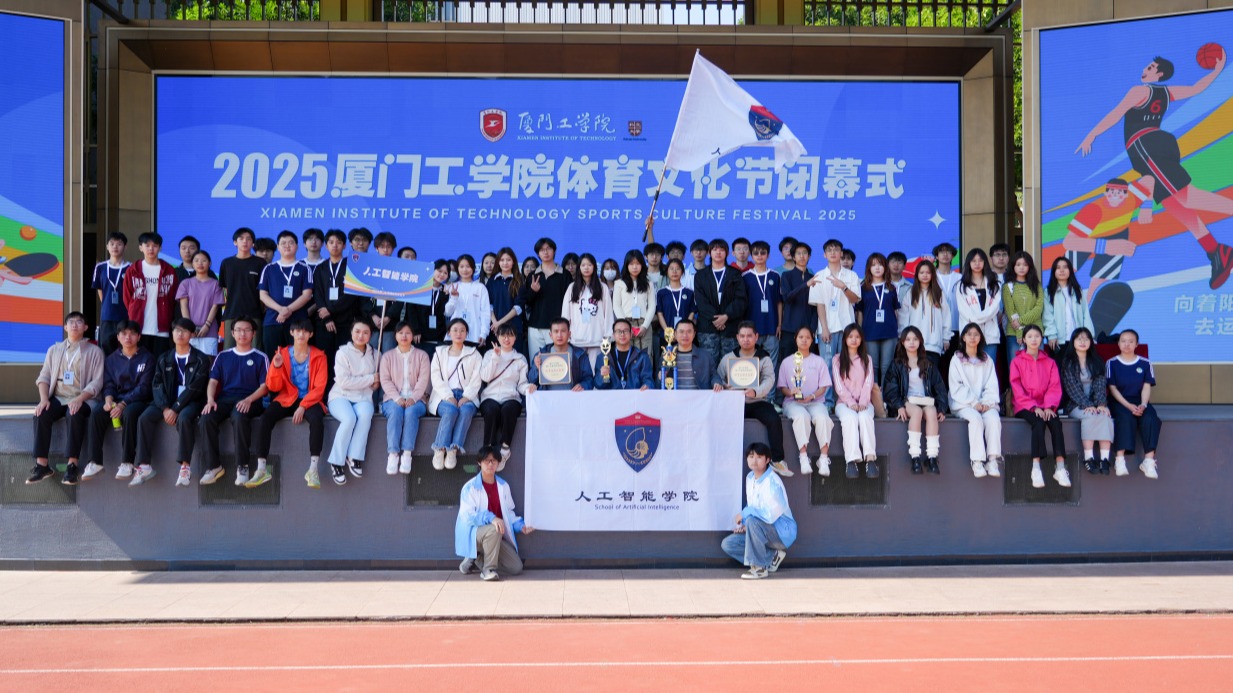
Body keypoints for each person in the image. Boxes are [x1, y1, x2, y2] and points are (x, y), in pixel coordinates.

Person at [1077, 53, 1233, 289]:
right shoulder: (1166, 92)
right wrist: (1216, 72)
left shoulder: (1139, 91)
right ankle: (1216, 251)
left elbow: (1116, 114)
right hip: (1156, 146)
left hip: (1146, 146)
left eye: (1150, 67)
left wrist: (1092, 134)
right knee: (1177, 207)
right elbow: (1196, 89)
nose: (1145, 69)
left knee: (1187, 197)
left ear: (1159, 74)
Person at [249, 318, 328, 489]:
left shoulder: (319, 356)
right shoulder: (282, 354)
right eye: (298, 331)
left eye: (305, 331)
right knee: (265, 418)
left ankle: (313, 469)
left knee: (317, 420)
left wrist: (303, 406)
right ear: (291, 333)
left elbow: (320, 388)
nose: (301, 334)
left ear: (311, 334)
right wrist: (276, 367)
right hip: (286, 397)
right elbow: (273, 387)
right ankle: (261, 469)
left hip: (310, 399)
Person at [29, 313, 106, 485]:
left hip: (84, 398)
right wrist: (44, 399)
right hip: (59, 397)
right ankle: (42, 465)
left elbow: (97, 382)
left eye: (79, 322)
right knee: (41, 414)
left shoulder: (95, 351)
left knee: (74, 414)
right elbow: (44, 377)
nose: (75, 325)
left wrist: (80, 399)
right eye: (71, 322)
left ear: (85, 327)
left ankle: (72, 465)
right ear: (65, 327)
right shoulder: (54, 350)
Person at [134, 318, 210, 488]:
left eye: (184, 331)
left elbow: (195, 388)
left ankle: (185, 467)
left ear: (192, 334)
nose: (180, 334)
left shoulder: (201, 359)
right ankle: (144, 465)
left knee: (184, 418)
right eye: (176, 330)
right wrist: (165, 407)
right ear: (172, 333)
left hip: (191, 401)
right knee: (144, 418)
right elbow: (157, 384)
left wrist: (175, 408)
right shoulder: (164, 358)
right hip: (167, 403)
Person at [197, 317, 269, 486]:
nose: (242, 333)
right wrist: (210, 400)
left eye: (247, 330)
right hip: (226, 399)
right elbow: (213, 382)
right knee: (206, 418)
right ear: (232, 333)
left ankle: (242, 466)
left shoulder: (260, 357)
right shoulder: (223, 356)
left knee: (239, 415)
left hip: (251, 399)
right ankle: (214, 466)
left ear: (253, 333)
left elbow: (265, 387)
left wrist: (249, 399)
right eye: (238, 330)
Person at [82, 320, 154, 483]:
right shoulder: (111, 359)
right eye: (124, 334)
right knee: (97, 413)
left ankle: (127, 462)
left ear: (139, 337)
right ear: (118, 337)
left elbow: (144, 388)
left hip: (138, 400)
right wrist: (108, 400)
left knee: (129, 413)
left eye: (132, 334)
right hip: (116, 399)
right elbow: (108, 384)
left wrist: (123, 404)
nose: (128, 337)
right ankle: (94, 462)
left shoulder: (147, 358)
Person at [1062, 178, 1155, 300]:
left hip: (1117, 234)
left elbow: (1149, 180)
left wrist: (1146, 207)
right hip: (1087, 237)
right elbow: (1069, 242)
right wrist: (1106, 246)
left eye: (1119, 192)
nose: (1115, 195)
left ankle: (1091, 304)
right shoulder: (1093, 210)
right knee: (1065, 268)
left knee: (1103, 277)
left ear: (1126, 195)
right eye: (1111, 192)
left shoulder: (1132, 200)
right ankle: (1056, 300)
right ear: (1105, 193)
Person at [715, 322, 789, 476]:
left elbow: (769, 379)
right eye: (742, 336)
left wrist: (756, 392)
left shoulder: (763, 357)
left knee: (774, 419)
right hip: (735, 402)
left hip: (757, 401)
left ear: (756, 337)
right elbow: (718, 377)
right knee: (721, 421)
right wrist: (725, 386)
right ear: (737, 338)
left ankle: (777, 459)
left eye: (749, 336)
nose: (746, 339)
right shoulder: (729, 358)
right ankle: (723, 458)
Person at [456, 445, 535, 581]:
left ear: (498, 463)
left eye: (494, 460)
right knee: (494, 528)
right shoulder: (470, 487)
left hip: (495, 535)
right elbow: (467, 516)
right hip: (474, 534)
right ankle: (488, 570)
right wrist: (492, 518)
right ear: (479, 463)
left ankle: (477, 557)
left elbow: (508, 513)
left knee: (516, 567)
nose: (490, 464)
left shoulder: (503, 486)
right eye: (486, 460)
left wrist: (521, 526)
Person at [720, 442, 796, 580]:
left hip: (782, 533)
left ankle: (759, 568)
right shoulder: (750, 478)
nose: (754, 460)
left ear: (767, 460)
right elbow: (753, 505)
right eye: (751, 456)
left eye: (759, 457)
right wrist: (744, 525)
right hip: (762, 529)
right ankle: (772, 557)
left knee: (751, 521)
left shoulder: (772, 482)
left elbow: (769, 516)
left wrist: (745, 515)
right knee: (729, 544)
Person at [883, 326, 949, 475]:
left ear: (920, 342)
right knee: (917, 412)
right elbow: (891, 389)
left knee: (931, 412)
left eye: (915, 339)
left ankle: (932, 457)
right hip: (907, 401)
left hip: (925, 400)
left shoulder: (928, 364)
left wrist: (941, 408)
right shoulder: (897, 364)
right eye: (908, 339)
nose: (912, 342)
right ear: (902, 342)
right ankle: (915, 457)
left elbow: (939, 387)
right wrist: (899, 406)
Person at [1010, 325, 1068, 489]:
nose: (1034, 339)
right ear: (1024, 339)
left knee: (1055, 423)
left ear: (1042, 339)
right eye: (1030, 336)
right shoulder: (1017, 362)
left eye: (1037, 336)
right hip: (1024, 405)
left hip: (1046, 405)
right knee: (1038, 422)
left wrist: (1049, 406)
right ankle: (1036, 468)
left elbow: (1054, 386)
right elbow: (1016, 387)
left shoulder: (1050, 362)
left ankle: (1060, 468)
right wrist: (1033, 407)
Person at [325, 318, 380, 485]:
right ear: (351, 332)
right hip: (340, 396)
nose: (361, 335)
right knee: (349, 418)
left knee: (366, 414)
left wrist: (375, 383)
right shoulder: (342, 353)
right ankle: (336, 462)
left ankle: (354, 457)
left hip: (363, 397)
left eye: (365, 332)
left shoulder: (376, 354)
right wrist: (370, 379)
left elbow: (376, 383)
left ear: (371, 335)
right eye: (357, 331)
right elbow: (344, 382)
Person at [807, 238, 860, 407]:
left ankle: (845, 400)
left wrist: (843, 287)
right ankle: (828, 401)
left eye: (836, 249)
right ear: (824, 255)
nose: (833, 252)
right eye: (829, 250)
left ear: (841, 253)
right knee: (827, 365)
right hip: (827, 328)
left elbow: (855, 299)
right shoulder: (819, 276)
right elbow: (820, 305)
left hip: (847, 328)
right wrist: (824, 328)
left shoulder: (851, 276)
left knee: (847, 364)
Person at [948, 323, 1003, 479]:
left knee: (993, 418)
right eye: (969, 334)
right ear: (963, 338)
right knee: (975, 419)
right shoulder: (956, 359)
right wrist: (974, 403)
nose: (972, 337)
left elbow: (991, 385)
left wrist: (986, 402)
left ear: (980, 338)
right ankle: (977, 461)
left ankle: (993, 460)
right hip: (963, 404)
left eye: (976, 334)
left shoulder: (987, 360)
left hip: (984, 403)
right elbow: (956, 386)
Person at [1105, 329, 1162, 479]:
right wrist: (1128, 405)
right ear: (1118, 344)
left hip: (1140, 400)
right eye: (1123, 341)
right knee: (1125, 417)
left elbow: (1146, 387)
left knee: (1151, 418)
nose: (1127, 344)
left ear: (1137, 344)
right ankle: (1119, 459)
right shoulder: (1112, 363)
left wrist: (1143, 404)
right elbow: (1112, 388)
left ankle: (1149, 461)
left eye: (1131, 341)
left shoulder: (1145, 363)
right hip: (1119, 401)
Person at [777, 325, 833, 475]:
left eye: (808, 337)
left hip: (815, 402)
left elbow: (824, 386)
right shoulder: (787, 362)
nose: (804, 340)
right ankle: (803, 457)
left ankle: (824, 458)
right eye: (801, 337)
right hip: (793, 403)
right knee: (802, 417)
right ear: (795, 339)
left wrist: (812, 396)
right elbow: (782, 387)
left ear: (812, 340)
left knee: (823, 418)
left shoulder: (819, 361)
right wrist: (791, 392)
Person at [1059, 327, 1115, 475]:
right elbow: (1072, 388)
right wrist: (1088, 405)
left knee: (1105, 415)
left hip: (1095, 404)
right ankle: (1088, 458)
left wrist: (1101, 404)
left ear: (1091, 342)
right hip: (1075, 404)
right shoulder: (1068, 363)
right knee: (1090, 416)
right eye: (1079, 339)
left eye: (1086, 338)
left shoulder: (1096, 361)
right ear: (1073, 342)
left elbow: (1100, 385)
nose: (1083, 342)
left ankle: (1104, 459)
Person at [429, 318, 483, 471]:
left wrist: (467, 396)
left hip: (467, 395)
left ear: (467, 334)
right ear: (449, 333)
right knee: (451, 410)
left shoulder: (474, 354)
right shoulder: (439, 353)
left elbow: (477, 378)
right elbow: (435, 377)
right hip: (443, 395)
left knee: (466, 410)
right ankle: (440, 449)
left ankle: (453, 449)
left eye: (462, 330)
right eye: (455, 330)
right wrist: (449, 396)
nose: (458, 333)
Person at [380, 321, 431, 476]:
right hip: (392, 399)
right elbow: (385, 380)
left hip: (417, 399)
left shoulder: (422, 356)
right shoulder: (387, 356)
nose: (404, 336)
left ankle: (407, 454)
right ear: (395, 335)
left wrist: (414, 398)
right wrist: (397, 398)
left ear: (413, 336)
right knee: (396, 411)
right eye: (400, 333)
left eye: (408, 333)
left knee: (410, 412)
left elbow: (423, 380)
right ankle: (393, 454)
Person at [312, 229, 363, 376]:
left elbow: (352, 294)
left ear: (345, 246)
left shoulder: (351, 266)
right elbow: (318, 295)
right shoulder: (320, 268)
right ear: (326, 245)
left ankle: (343, 388)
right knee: (325, 360)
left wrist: (331, 310)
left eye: (339, 242)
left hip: (346, 321)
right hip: (324, 322)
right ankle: (326, 389)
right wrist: (327, 317)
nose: (335, 245)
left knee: (345, 360)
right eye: (331, 242)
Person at [478, 324, 531, 467]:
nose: (507, 339)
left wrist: (529, 388)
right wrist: (495, 357)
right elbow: (485, 377)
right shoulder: (489, 354)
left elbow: (522, 384)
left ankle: (505, 448)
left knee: (508, 410)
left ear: (515, 338)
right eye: (503, 335)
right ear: (497, 337)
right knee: (491, 410)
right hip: (490, 395)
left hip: (511, 396)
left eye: (510, 335)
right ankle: (488, 450)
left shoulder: (520, 358)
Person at [257, 230, 314, 357]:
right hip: (273, 321)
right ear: (278, 247)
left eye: (291, 243)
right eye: (283, 243)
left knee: (297, 358)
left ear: (297, 246)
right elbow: (263, 295)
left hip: (298, 323)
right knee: (273, 358)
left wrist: (288, 310)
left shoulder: (305, 268)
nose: (287, 246)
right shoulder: (269, 268)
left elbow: (307, 295)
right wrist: (280, 309)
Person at [122, 232, 178, 357]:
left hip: (162, 327)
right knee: (141, 362)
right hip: (139, 326)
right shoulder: (133, 270)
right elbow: (127, 298)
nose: (151, 249)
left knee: (160, 361)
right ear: (140, 247)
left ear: (160, 248)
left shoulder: (169, 270)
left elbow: (173, 297)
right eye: (147, 245)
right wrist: (134, 310)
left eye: (155, 246)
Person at [832, 324, 877, 479]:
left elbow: (869, 382)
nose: (854, 340)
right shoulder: (837, 359)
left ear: (861, 339)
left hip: (865, 402)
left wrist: (863, 402)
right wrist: (851, 402)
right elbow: (838, 385)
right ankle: (851, 461)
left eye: (857, 337)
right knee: (850, 418)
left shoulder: (867, 359)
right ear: (845, 339)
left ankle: (870, 459)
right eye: (850, 336)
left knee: (865, 417)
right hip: (843, 404)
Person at [694, 238, 748, 368]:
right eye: (715, 249)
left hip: (730, 327)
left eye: (721, 249)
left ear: (727, 253)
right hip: (708, 328)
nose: (718, 252)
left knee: (731, 367)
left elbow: (741, 299)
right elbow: (701, 302)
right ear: (709, 253)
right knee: (708, 366)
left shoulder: (735, 274)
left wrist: (726, 316)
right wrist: (717, 319)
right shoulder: (700, 275)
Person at [519, 237, 571, 357]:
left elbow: (569, 301)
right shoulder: (533, 276)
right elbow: (527, 302)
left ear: (554, 251)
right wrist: (533, 291)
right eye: (542, 250)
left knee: (557, 362)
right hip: (535, 327)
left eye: (548, 249)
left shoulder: (564, 275)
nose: (545, 252)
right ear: (538, 254)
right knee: (536, 361)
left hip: (557, 328)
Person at [218, 227, 266, 352]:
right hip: (232, 312)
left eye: (248, 239)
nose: (245, 241)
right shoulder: (226, 263)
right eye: (241, 238)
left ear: (253, 243)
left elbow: (264, 290)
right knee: (229, 350)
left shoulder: (260, 263)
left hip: (255, 313)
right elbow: (224, 289)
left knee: (255, 350)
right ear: (235, 242)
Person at [855, 252, 899, 387]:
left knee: (887, 367)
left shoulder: (891, 287)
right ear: (869, 268)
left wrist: (897, 330)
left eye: (880, 264)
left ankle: (885, 396)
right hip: (869, 333)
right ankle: (873, 396)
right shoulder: (863, 288)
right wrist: (860, 332)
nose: (877, 268)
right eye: (873, 265)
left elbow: (896, 311)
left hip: (889, 333)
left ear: (885, 267)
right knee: (872, 367)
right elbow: (860, 312)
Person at [560, 253, 613, 364]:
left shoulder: (602, 287)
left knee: (596, 371)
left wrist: (607, 336)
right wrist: (566, 335)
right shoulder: (572, 287)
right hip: (577, 339)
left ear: (594, 267)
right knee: (578, 371)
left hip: (597, 339)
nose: (586, 268)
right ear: (579, 267)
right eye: (583, 265)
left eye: (589, 265)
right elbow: (565, 314)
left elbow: (608, 313)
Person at [896, 259, 951, 364]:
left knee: (931, 372)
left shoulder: (938, 294)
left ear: (932, 274)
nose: (925, 275)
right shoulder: (911, 293)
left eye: (928, 272)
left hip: (934, 344)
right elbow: (903, 318)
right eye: (921, 272)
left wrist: (946, 338)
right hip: (914, 344)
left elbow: (946, 316)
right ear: (917, 275)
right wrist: (902, 337)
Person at [955, 248, 1001, 361]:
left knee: (989, 368)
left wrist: (980, 318)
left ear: (985, 262)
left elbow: (994, 308)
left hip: (990, 335)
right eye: (973, 261)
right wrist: (978, 321)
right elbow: (963, 310)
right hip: (970, 335)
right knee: (970, 368)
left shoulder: (993, 284)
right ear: (969, 263)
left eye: (980, 260)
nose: (977, 264)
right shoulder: (961, 285)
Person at [175, 250, 224, 356]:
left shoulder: (216, 284)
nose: (200, 263)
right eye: (196, 260)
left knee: (208, 362)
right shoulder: (186, 283)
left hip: (209, 331)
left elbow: (215, 306)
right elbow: (183, 306)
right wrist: (189, 327)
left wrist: (207, 326)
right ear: (192, 264)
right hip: (189, 333)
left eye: (204, 260)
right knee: (189, 361)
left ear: (210, 263)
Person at [527, 318, 594, 393]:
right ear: (550, 335)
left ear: (569, 334)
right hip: (548, 398)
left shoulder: (579, 354)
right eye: (556, 331)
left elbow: (589, 379)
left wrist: (583, 385)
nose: (559, 335)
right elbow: (531, 380)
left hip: (573, 396)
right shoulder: (542, 354)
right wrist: (536, 368)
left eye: (563, 331)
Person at [743, 241, 782, 368]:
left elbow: (779, 302)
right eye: (756, 253)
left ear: (768, 255)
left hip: (771, 327)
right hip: (752, 328)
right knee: (752, 364)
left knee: (771, 364)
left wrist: (779, 324)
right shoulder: (745, 277)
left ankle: (769, 383)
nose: (759, 255)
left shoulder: (775, 276)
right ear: (751, 256)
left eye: (763, 253)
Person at [1001, 252, 1045, 364]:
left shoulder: (1037, 286)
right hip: (1014, 334)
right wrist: (1020, 332)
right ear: (1013, 266)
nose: (1021, 267)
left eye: (1025, 265)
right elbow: (1011, 312)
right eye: (1018, 264)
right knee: (1015, 367)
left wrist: (1020, 321)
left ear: (1030, 267)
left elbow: (1038, 309)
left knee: (1037, 366)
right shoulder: (1008, 287)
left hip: (1035, 332)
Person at [1043, 256, 1094, 352]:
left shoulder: (1077, 290)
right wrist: (1052, 335)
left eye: (1065, 267)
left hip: (1078, 339)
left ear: (1070, 270)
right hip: (1058, 340)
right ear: (1054, 272)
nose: (1062, 270)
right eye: (1058, 268)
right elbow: (1047, 316)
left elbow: (1086, 314)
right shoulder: (1048, 292)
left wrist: (1088, 335)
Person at [779, 241, 817, 366]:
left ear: (809, 256)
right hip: (789, 329)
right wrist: (806, 285)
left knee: (808, 366)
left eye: (805, 253)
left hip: (807, 332)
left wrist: (812, 328)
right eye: (798, 253)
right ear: (793, 257)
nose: (802, 256)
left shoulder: (813, 277)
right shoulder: (786, 276)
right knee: (787, 365)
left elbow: (816, 306)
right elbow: (787, 298)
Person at [91, 231, 129, 355]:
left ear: (125, 247)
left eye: (119, 244)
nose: (115, 247)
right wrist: (107, 306)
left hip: (125, 315)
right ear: (107, 246)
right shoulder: (100, 267)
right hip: (107, 316)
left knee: (126, 348)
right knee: (106, 348)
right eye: (112, 244)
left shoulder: (131, 268)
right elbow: (100, 290)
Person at [444, 254, 492, 347]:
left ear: (473, 268)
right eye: (461, 267)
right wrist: (454, 298)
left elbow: (485, 313)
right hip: (455, 335)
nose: (465, 270)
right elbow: (447, 312)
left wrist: (484, 333)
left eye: (468, 266)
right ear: (457, 268)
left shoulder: (480, 287)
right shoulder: (452, 287)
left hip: (475, 335)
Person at [613, 249, 655, 353]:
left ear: (642, 265)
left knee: (646, 355)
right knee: (627, 354)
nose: (635, 267)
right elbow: (616, 306)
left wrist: (645, 326)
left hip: (644, 323)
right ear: (626, 265)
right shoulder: (619, 283)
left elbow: (652, 306)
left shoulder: (648, 283)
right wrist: (625, 326)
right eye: (631, 264)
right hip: (626, 322)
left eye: (637, 264)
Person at [593, 318, 653, 391]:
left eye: (626, 331)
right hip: (612, 397)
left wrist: (647, 385)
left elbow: (648, 379)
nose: (622, 334)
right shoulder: (603, 356)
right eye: (619, 331)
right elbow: (597, 384)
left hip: (635, 396)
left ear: (631, 334)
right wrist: (601, 376)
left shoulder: (642, 356)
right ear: (613, 335)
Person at [487, 247, 525, 354]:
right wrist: (495, 322)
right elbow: (488, 304)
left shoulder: (519, 280)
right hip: (495, 330)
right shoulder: (492, 281)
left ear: (513, 262)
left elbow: (518, 308)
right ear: (498, 262)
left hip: (513, 328)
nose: (505, 263)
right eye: (502, 260)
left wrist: (499, 323)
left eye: (508, 260)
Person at [664, 319, 714, 390]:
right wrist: (661, 377)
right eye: (681, 331)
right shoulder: (667, 355)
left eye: (689, 331)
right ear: (675, 334)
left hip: (698, 396)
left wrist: (716, 383)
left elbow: (714, 375)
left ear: (694, 334)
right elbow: (658, 383)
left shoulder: (705, 356)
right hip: (674, 396)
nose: (685, 335)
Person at [655, 259, 696, 331]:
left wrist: (685, 328)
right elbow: (659, 313)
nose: (674, 271)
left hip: (685, 333)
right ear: (667, 272)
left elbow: (692, 312)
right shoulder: (661, 293)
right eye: (671, 269)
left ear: (682, 272)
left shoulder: (689, 292)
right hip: (666, 333)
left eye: (678, 268)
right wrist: (667, 331)